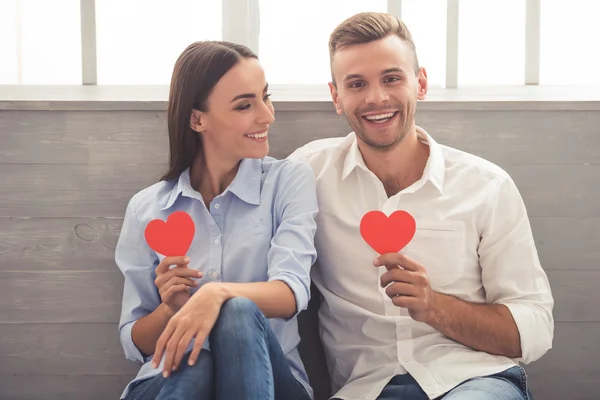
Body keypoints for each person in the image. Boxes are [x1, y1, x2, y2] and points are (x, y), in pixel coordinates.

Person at [288, 12, 554, 400]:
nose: (376, 97)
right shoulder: (306, 174)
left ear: (421, 83)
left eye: (391, 78)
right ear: (336, 98)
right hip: (364, 389)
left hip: (472, 381)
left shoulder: (487, 187)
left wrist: (434, 306)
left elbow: (534, 329)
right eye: (357, 84)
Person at [115, 40, 318, 400]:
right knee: (196, 365)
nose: (267, 116)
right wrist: (170, 309)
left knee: (237, 310)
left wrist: (214, 294)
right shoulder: (146, 209)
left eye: (265, 97)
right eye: (245, 105)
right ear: (197, 119)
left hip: (275, 380)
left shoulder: (289, 182)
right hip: (169, 380)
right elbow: (136, 341)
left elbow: (291, 292)